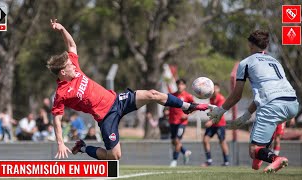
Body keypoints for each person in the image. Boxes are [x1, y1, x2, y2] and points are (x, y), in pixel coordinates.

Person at [47, 19, 209, 160]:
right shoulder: (61, 93)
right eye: (69, 66)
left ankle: (187, 107)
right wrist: (60, 143)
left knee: (152, 94)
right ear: (63, 72)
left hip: (117, 100)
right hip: (106, 118)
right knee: (115, 156)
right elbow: (57, 120)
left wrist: (62, 29)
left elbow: (72, 45)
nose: (73, 66)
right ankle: (82, 148)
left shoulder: (74, 67)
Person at [208, 30, 299, 173]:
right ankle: (259, 162)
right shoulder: (275, 61)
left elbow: (236, 95)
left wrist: (220, 111)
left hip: (272, 105)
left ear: (250, 44)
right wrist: (246, 116)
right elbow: (266, 93)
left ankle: (276, 159)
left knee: (253, 150)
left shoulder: (246, 63)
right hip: (292, 104)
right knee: (265, 134)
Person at [202, 83, 229, 166]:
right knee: (205, 140)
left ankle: (226, 162)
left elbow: (220, 113)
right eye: (213, 88)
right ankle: (209, 160)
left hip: (220, 124)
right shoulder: (211, 98)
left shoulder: (221, 98)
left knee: (222, 141)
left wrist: (211, 121)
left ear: (219, 89)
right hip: (213, 124)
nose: (215, 90)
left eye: (216, 88)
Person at [169, 79, 193, 167]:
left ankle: (174, 160)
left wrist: (187, 115)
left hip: (181, 123)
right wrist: (166, 111)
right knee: (173, 141)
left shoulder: (188, 96)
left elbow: (194, 107)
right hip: (172, 121)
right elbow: (168, 106)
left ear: (185, 86)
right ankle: (185, 152)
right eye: (178, 84)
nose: (180, 86)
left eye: (182, 84)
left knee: (177, 140)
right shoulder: (172, 95)